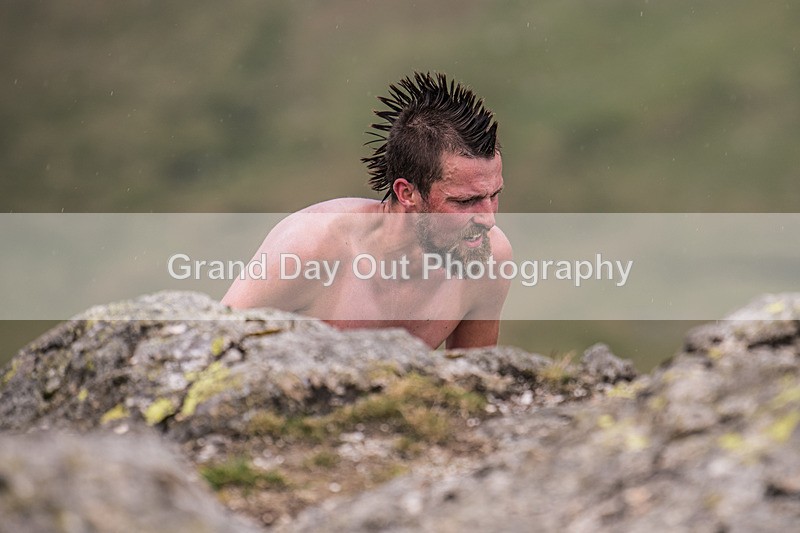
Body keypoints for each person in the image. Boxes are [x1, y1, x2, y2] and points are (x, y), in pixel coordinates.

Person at [222, 72, 512, 349]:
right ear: (407, 193)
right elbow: (205, 349)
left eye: (494, 195)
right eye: (464, 201)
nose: (488, 219)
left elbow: (471, 388)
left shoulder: (489, 258)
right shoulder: (310, 247)